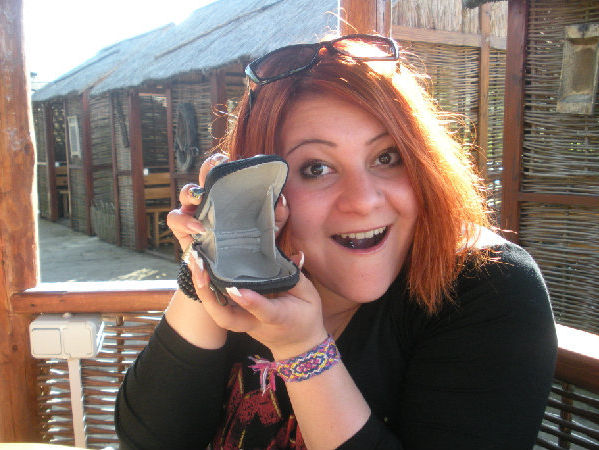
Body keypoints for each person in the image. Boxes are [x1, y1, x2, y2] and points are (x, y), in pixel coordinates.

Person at [115, 34, 557, 450]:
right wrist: (211, 252)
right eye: (316, 168)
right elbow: (148, 440)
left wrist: (302, 350)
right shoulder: (258, 267)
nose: (363, 201)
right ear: (261, 190)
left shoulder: (488, 285)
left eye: (387, 157)